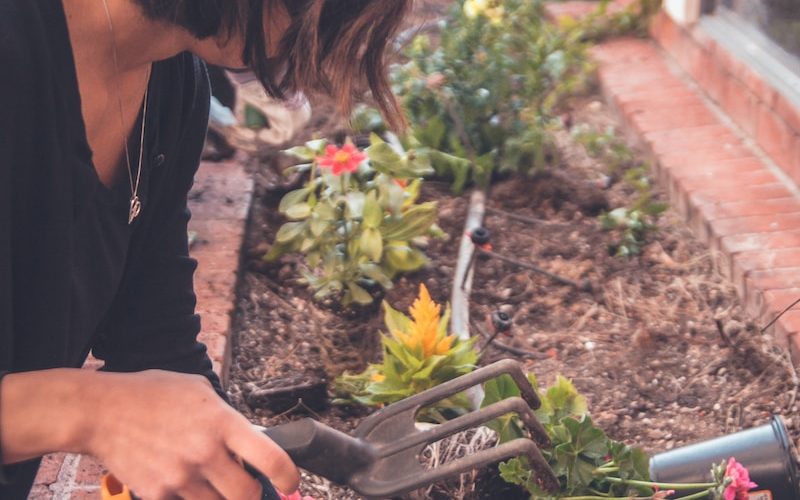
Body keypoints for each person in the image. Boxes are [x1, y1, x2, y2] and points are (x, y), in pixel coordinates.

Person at [0, 0, 411, 498]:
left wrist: (231, 456)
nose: (315, 38)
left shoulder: (171, 86)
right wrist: (91, 411)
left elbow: (154, 339)